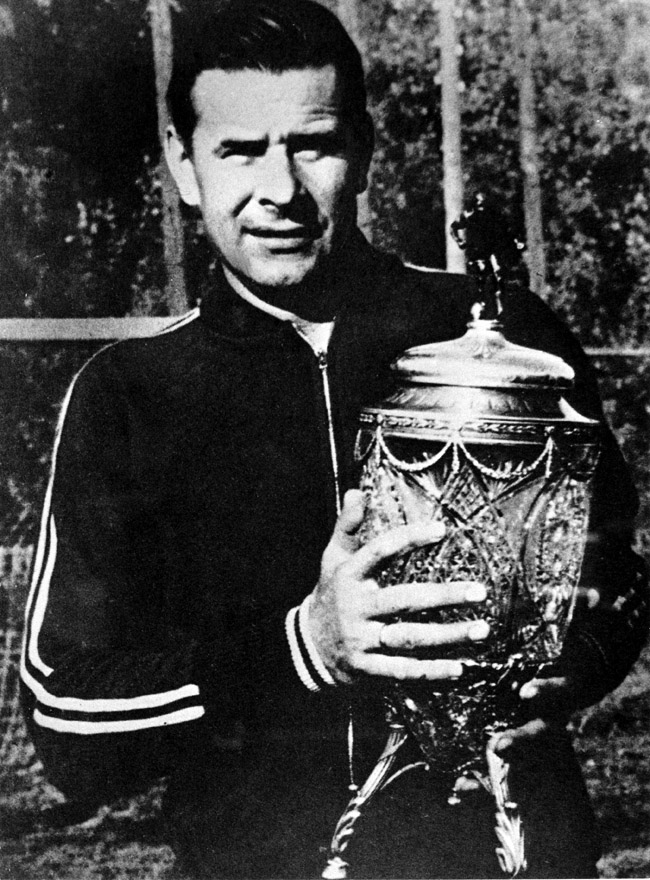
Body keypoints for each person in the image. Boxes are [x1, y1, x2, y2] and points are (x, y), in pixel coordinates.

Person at [20, 1, 648, 877]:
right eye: (240, 150)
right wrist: (303, 650)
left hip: (510, 858)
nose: (279, 190)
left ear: (363, 148)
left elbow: (616, 576)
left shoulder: (506, 342)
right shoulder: (129, 396)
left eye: (312, 145)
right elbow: (66, 715)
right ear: (183, 164)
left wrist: (563, 668)